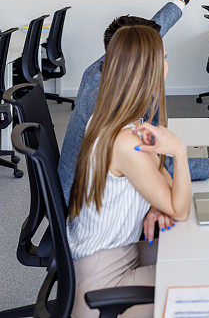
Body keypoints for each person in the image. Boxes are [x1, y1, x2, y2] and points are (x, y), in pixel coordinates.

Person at [59, 0, 209, 212]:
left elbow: (154, 29)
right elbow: (155, 167)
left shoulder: (109, 65)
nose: (165, 62)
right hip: (84, 204)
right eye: (162, 56)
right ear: (139, 56)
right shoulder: (108, 105)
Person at [67, 25, 191, 317]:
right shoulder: (125, 141)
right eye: (164, 58)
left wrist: (153, 203)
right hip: (105, 285)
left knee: (192, 253)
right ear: (148, 69)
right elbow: (180, 208)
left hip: (113, 258)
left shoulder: (109, 121)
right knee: (200, 279)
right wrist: (179, 152)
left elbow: (166, 190)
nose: (167, 66)